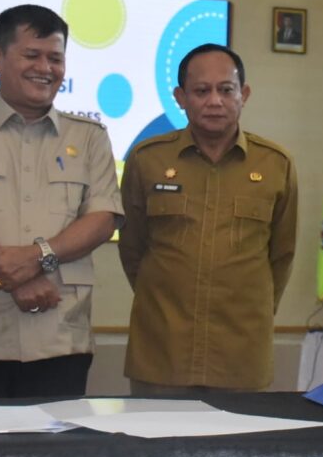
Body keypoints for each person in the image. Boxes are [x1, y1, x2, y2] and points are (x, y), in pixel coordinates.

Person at [0, 4, 121, 399]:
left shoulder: (89, 136)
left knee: (56, 441)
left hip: (59, 339)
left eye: (55, 58)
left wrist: (38, 258)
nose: (45, 68)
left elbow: (103, 218)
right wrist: (14, 275)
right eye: (32, 55)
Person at [119, 44, 298, 394]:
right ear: (180, 97)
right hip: (162, 355)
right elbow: (132, 249)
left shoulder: (276, 165)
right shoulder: (146, 159)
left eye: (226, 90)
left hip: (240, 358)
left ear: (244, 95)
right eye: (201, 91)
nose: (214, 101)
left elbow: (281, 255)